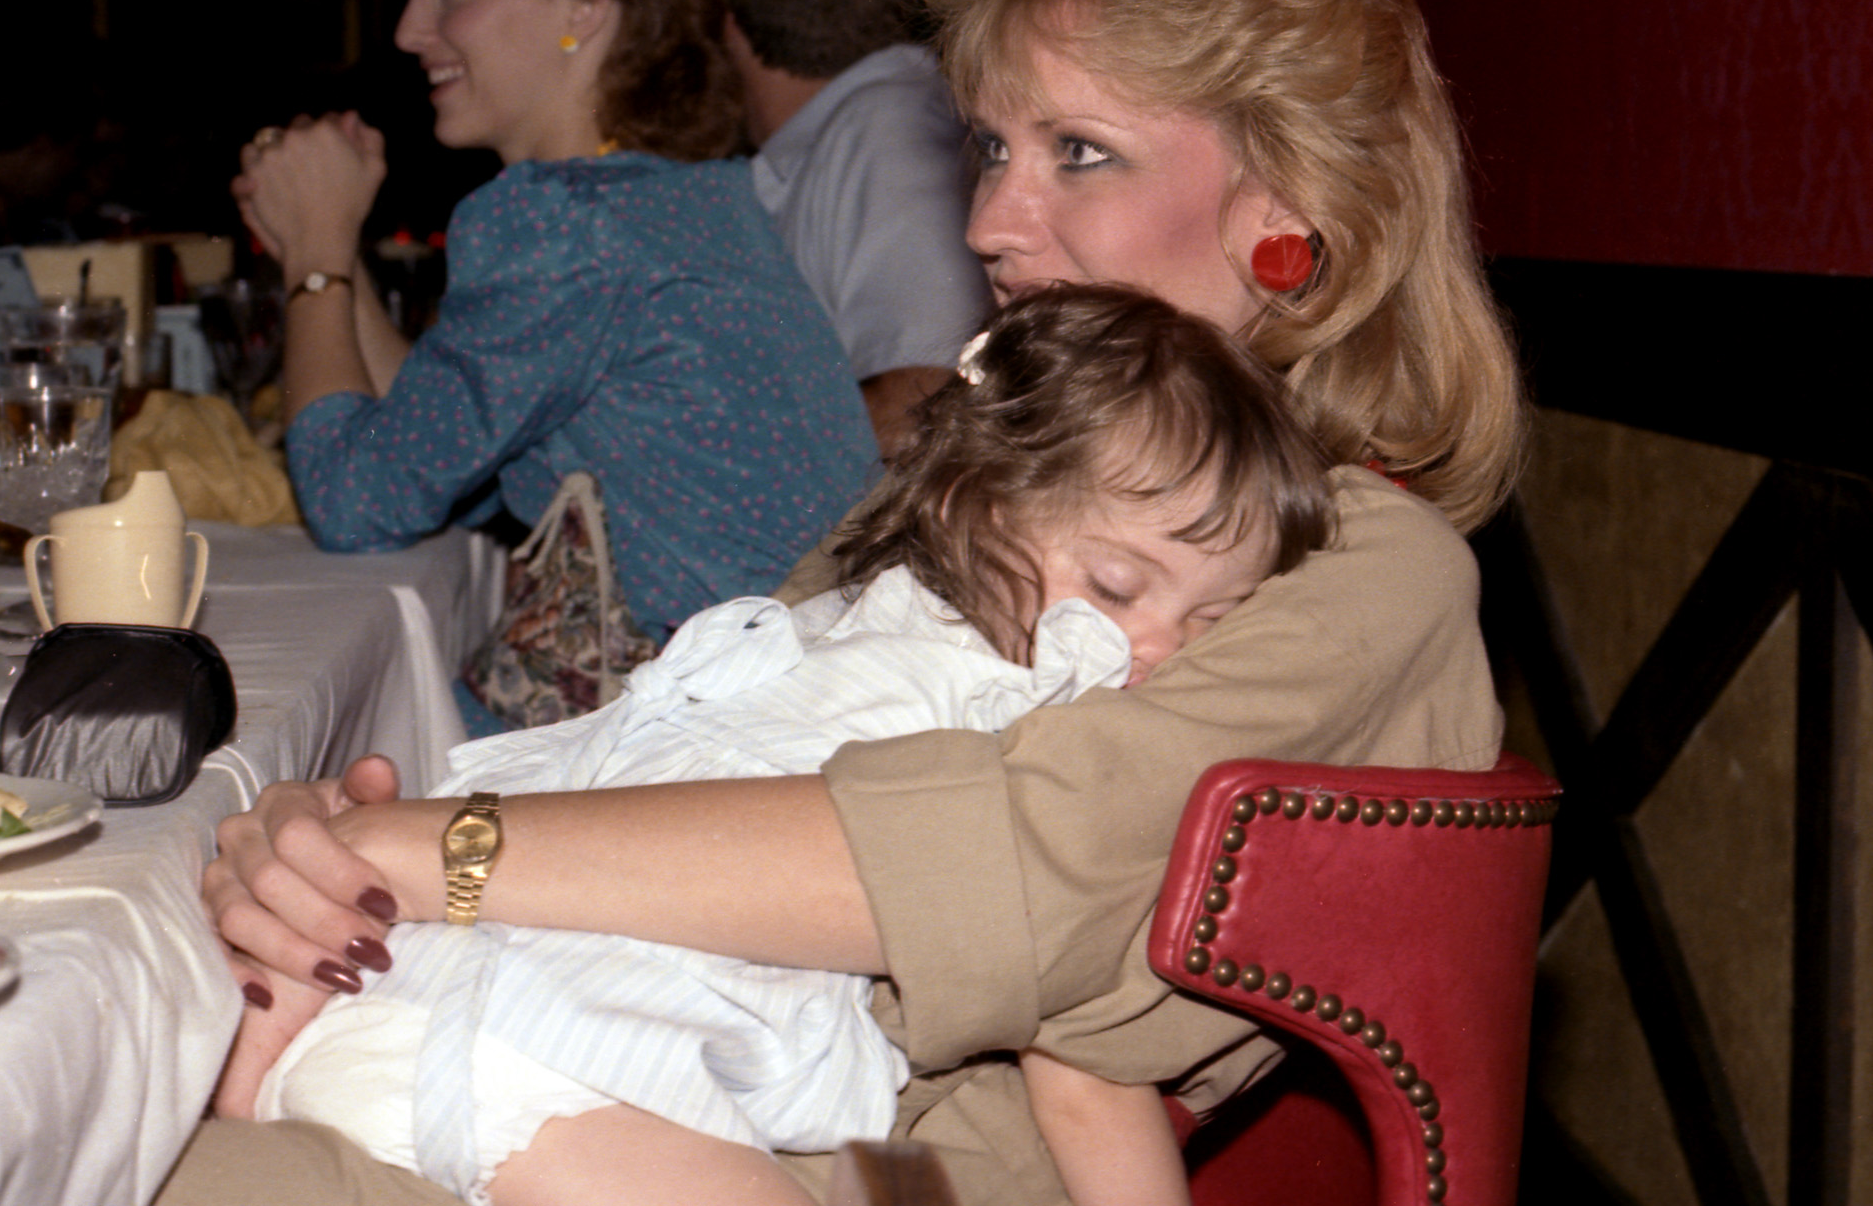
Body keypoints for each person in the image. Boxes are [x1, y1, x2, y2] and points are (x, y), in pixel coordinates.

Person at [174, 0, 1525, 1206]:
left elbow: (975, 869)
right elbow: (700, 749)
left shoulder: (1360, 564)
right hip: (565, 1060)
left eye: (1081, 151)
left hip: (792, 1160)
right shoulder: (1002, 491)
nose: (992, 219)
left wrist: (436, 854)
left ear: (1290, 213)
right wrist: (330, 867)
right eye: (991, 146)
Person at [219, 286, 1335, 1206]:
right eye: (1121, 588)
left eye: (1211, 622)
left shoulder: (832, 632)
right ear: (976, 510)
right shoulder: (1024, 702)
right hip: (553, 1068)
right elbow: (1086, 1081)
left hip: (421, 1020)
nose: (1154, 647)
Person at [234, 0, 876, 663]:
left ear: (584, 5)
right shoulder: (675, 199)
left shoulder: (568, 226)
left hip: (726, 718)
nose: (409, 30)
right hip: (803, 684)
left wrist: (314, 259)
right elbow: (426, 441)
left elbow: (355, 502)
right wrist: (330, 244)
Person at [704, 0, 990, 455]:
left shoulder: (887, 129)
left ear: (725, 20)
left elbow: (929, 396)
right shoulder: (850, 135)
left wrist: (698, 455)